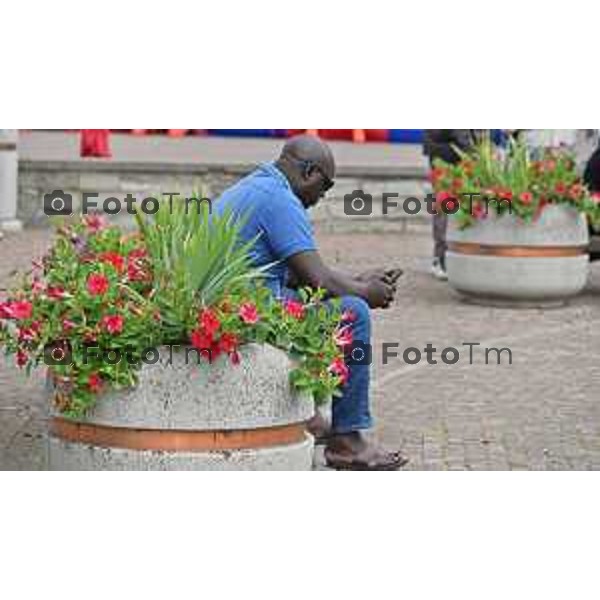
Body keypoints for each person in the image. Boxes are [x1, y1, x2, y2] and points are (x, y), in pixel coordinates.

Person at [215, 134, 408, 470]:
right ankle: (346, 442)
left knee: (329, 300)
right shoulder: (279, 200)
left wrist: (358, 280)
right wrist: (368, 293)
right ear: (309, 172)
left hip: (231, 305)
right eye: (325, 186)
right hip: (247, 315)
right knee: (354, 314)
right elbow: (321, 281)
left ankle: (312, 417)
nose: (321, 198)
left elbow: (300, 277)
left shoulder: (255, 186)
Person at [423, 130, 489, 281]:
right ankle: (440, 258)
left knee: (457, 205)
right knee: (444, 205)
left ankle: (449, 256)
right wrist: (476, 152)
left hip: (458, 152)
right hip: (447, 152)